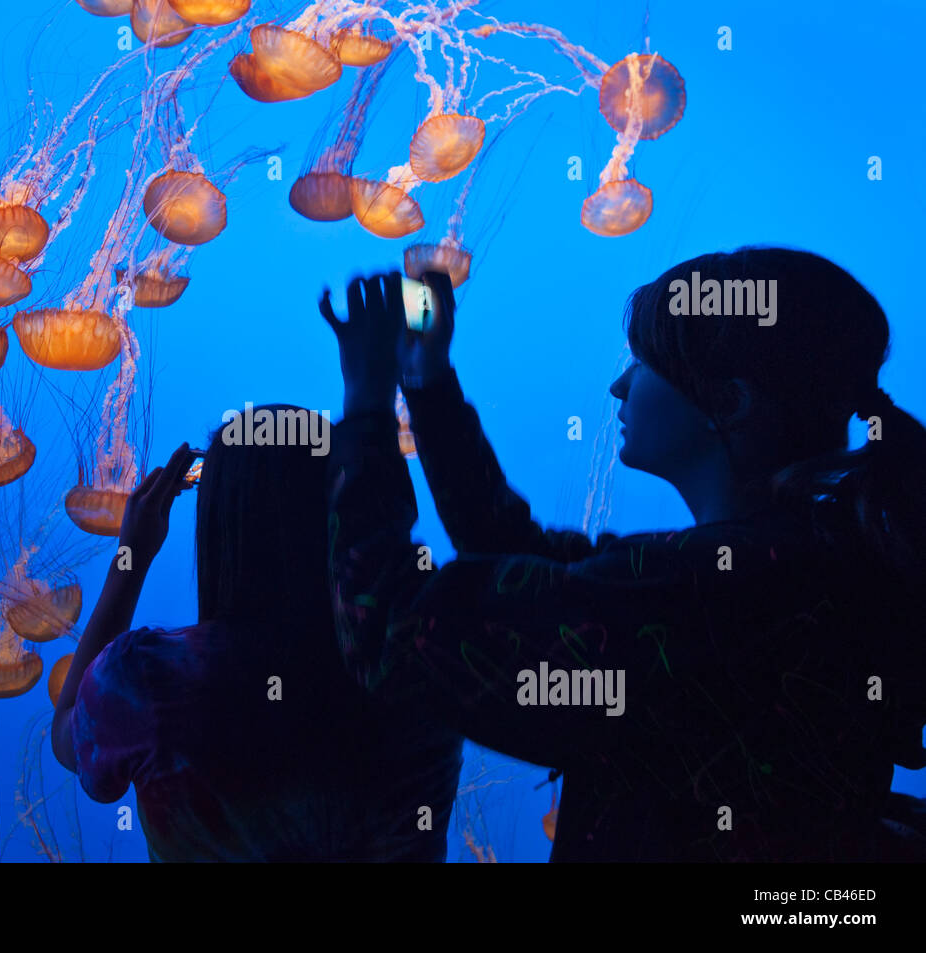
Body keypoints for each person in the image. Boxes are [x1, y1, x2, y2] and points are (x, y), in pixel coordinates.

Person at [320, 248, 926, 861]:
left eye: (645, 361)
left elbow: (390, 627)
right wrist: (427, 381)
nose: (620, 383)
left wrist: (368, 409)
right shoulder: (808, 558)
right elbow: (535, 566)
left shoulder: (696, 594)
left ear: (731, 403)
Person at [51, 420, 464, 862]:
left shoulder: (147, 684)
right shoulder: (426, 673)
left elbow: (66, 736)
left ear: (219, 525)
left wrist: (131, 557)